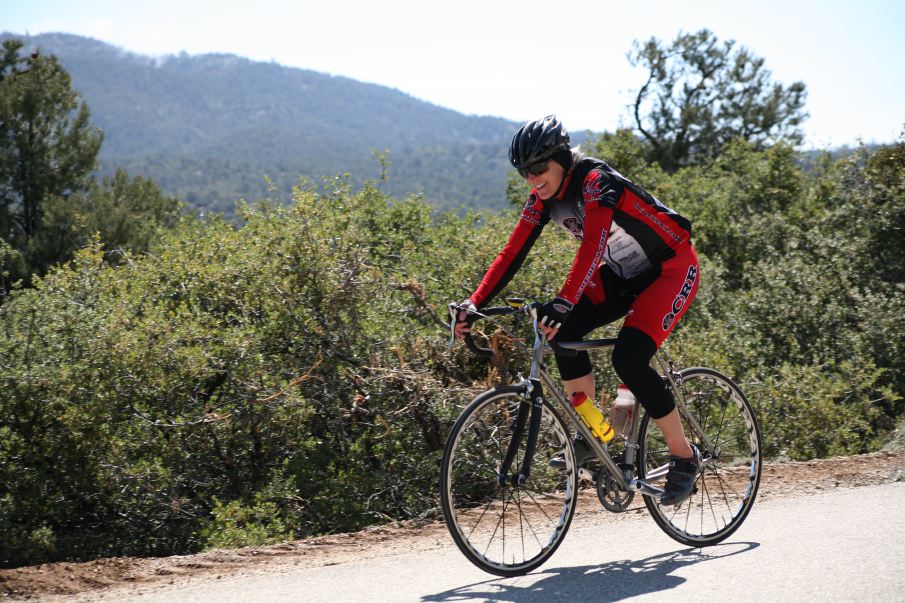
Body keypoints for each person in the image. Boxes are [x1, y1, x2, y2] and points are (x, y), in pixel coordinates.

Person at [453, 115, 701, 506]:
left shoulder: (595, 183)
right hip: (623, 274)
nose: (532, 180)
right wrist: (474, 302)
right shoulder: (541, 198)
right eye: (524, 173)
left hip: (670, 269)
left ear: (562, 159)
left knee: (629, 359)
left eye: (539, 169)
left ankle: (683, 455)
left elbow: (593, 244)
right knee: (563, 335)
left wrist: (565, 299)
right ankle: (595, 434)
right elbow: (512, 252)